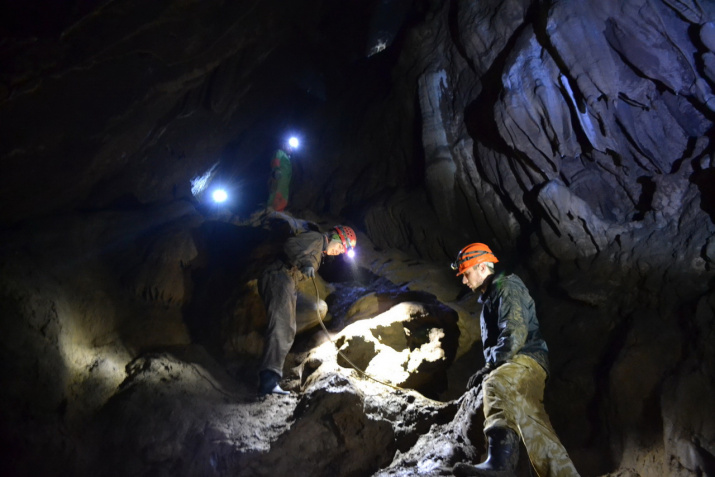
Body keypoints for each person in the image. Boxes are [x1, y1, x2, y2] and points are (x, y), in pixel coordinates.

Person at [451, 243, 580, 477]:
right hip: (524, 363)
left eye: (466, 273)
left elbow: (514, 332)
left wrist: (491, 366)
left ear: (481, 268)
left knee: (496, 383)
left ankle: (500, 465)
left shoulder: (506, 287)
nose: (463, 281)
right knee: (536, 432)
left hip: (525, 360)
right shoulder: (490, 298)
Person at [258, 225, 357, 396]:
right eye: (340, 246)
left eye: (342, 251)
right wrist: (307, 263)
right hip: (279, 276)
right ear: (335, 237)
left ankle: (271, 378)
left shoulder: (319, 250)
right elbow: (290, 245)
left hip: (288, 281)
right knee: (281, 326)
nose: (339, 251)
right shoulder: (317, 238)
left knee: (288, 329)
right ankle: (267, 382)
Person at [267, 139, 295, 212]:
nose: (291, 149)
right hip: (278, 178)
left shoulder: (288, 159)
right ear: (284, 145)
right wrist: (276, 170)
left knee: (283, 197)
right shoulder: (280, 152)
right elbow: (276, 160)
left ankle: (278, 212)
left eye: (292, 148)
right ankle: (270, 211)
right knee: (275, 194)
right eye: (289, 146)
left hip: (285, 183)